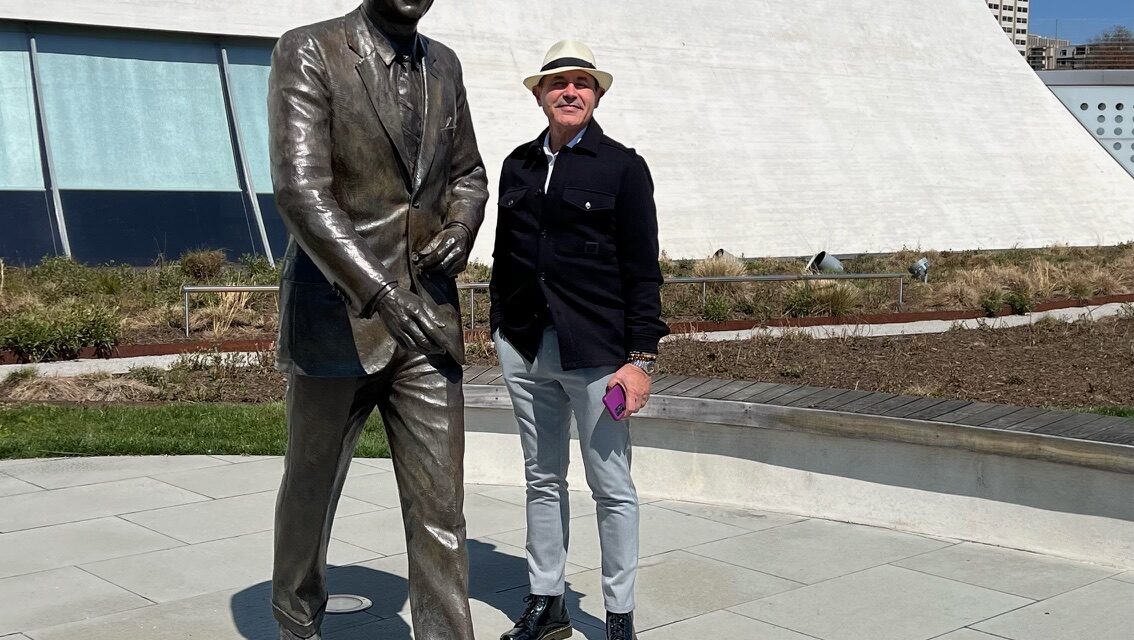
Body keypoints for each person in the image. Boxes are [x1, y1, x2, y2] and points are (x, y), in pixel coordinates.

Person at [266, 1, 487, 638]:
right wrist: (384, 294)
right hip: (339, 314)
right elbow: (301, 190)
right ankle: (296, 617)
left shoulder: (444, 65)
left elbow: (467, 174)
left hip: (428, 322)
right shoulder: (309, 49)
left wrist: (461, 225)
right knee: (312, 490)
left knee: (441, 506)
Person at [490, 40, 669, 640]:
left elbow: (644, 271)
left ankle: (619, 614)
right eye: (558, 82)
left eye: (582, 83)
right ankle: (548, 603)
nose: (571, 91)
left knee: (611, 486)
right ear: (539, 95)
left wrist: (641, 360)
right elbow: (505, 258)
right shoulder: (516, 165)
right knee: (542, 478)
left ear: (596, 95)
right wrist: (500, 330)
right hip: (525, 346)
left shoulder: (622, 166)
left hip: (599, 357)